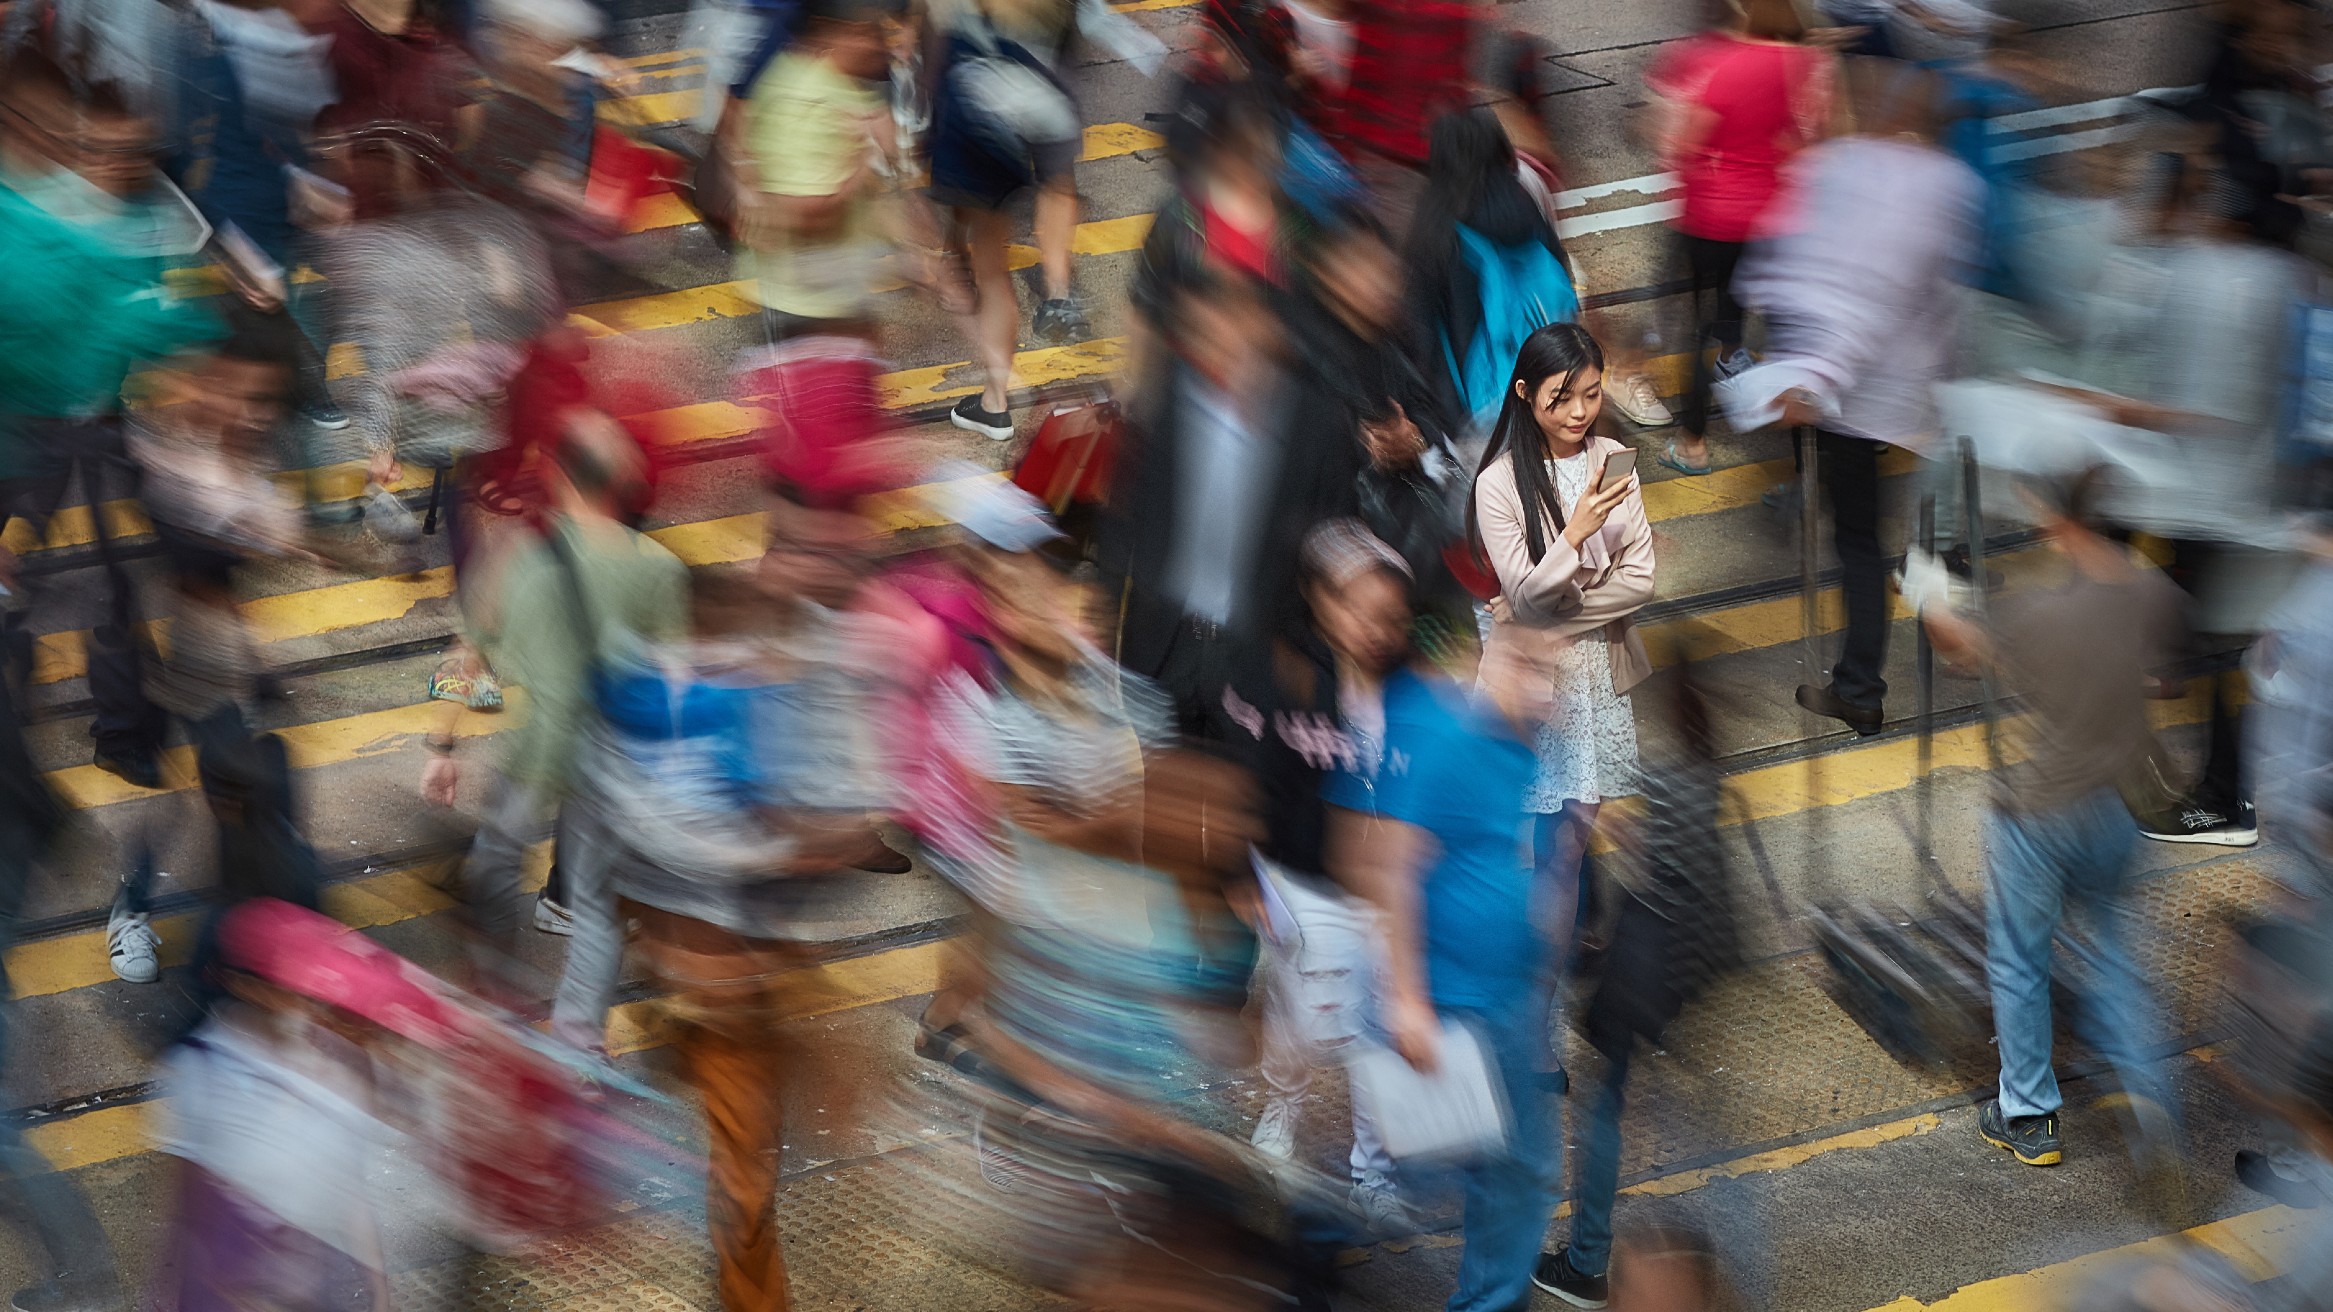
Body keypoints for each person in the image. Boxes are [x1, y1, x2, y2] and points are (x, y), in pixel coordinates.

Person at [1918, 468, 2186, 1178]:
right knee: (2116, 957)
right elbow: (2160, 680)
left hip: (2038, 814)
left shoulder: (2042, 612)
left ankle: (2028, 1115)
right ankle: (2156, 1109)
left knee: (2019, 959)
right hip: (2121, 806)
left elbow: (1958, 646)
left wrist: (1923, 591)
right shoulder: (2154, 593)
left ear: (2057, 520)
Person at [1721, 60, 1983, 736]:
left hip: (1843, 395)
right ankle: (1935, 601)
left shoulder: (1836, 165)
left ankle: (1861, 687)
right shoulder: (1951, 183)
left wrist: (1810, 370)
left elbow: (1797, 272)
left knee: (1858, 541)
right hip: (1915, 395)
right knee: (1912, 526)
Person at [1324, 613, 1562, 1312]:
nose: (1547, 693)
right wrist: (1405, 999)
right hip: (1454, 999)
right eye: (1533, 670)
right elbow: (1393, 866)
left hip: (1502, 995)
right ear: (1495, 659)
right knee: (1492, 1172)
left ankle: (1491, 1298)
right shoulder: (1449, 739)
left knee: (1514, 1172)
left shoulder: (1517, 746)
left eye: (1554, 677)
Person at [0, 54, 219, 789]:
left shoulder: (161, 215)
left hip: (99, 430)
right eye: (104, 147)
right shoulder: (43, 207)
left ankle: (124, 733)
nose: (120, 163)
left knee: (112, 592)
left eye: (136, 152)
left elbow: (172, 316)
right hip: (23, 432)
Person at [422, 409, 689, 991]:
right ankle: (580, 1037)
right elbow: (677, 681)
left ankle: (491, 985)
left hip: (537, 754)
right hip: (613, 762)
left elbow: (469, 653)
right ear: (618, 483)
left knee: (495, 864)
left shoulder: (518, 557)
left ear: (560, 479)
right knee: (596, 912)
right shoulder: (661, 570)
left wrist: (442, 745)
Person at [1532, 659, 1739, 1309]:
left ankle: (1588, 1258)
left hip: (1647, 971)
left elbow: (1598, 795)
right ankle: (1603, 1255)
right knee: (1661, 1108)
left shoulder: (1665, 773)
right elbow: (1664, 845)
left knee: (1603, 1108)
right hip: (1689, 966)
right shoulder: (1703, 769)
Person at [1099, 269, 1361, 739]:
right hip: (1165, 648)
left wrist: (1314, 657)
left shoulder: (1318, 426)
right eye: (1203, 328)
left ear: (1268, 327)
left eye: (1233, 322)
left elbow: (1334, 543)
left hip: (1260, 658)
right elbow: (1126, 519)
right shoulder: (1167, 405)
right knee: (1164, 796)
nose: (1219, 342)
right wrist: (1102, 624)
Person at [1468, 322, 1652, 988]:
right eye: (1560, 397)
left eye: (1591, 394)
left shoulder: (1613, 459)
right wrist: (1574, 536)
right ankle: (1533, 968)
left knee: (1574, 836)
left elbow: (1641, 578)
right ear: (1524, 393)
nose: (1578, 413)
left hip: (1595, 673)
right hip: (1536, 681)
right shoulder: (1497, 483)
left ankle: (1554, 955)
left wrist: (1542, 607)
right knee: (1540, 835)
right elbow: (1520, 588)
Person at [1240, 521, 1412, 1225]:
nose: (1369, 627)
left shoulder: (1413, 696)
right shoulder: (1291, 683)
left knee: (1379, 1040)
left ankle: (1372, 1174)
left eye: (1385, 615)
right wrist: (1251, 881)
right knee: (1300, 1030)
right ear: (1319, 603)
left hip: (1384, 902)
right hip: (1302, 890)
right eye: (1352, 607)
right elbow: (1257, 789)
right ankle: (1281, 1109)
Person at [1639, 0, 1832, 476]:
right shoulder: (1807, 63)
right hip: (1775, 219)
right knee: (1786, 332)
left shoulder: (1720, 65)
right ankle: (1805, 467)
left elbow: (1686, 142)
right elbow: (1812, 139)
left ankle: (1692, 445)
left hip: (1711, 218)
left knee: (1700, 330)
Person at [927, 0, 1090, 440]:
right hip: (1047, 91)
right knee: (1058, 184)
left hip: (987, 100)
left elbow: (935, 36)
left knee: (991, 267)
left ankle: (996, 403)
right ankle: (1059, 296)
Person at [1404, 108, 1578, 442]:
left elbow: (1424, 336)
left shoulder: (1435, 234)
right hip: (1552, 384)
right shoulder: (1527, 206)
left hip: (1482, 409)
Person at [731, 0, 898, 342]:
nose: (878, 44)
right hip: (806, 311)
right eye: (866, 32)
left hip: (833, 296)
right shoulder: (807, 102)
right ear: (831, 31)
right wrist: (868, 166)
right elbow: (808, 213)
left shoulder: (844, 83)